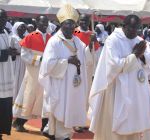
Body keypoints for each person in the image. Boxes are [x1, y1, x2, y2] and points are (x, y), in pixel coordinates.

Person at [88, 14, 150, 140]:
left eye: (137, 28)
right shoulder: (113, 40)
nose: (134, 31)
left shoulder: (138, 40)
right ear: (124, 26)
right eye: (131, 28)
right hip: (116, 89)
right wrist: (135, 55)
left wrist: (142, 56)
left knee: (135, 120)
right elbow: (114, 66)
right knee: (116, 125)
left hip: (136, 90)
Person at [39, 4, 91, 139]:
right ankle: (61, 135)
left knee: (71, 109)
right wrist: (67, 61)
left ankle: (60, 133)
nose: (70, 27)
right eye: (67, 24)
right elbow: (48, 65)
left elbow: (86, 56)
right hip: (60, 84)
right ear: (61, 24)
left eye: (72, 24)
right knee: (61, 109)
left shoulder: (77, 41)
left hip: (74, 85)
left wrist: (90, 47)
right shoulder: (54, 42)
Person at [12, 15, 51, 132]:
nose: (45, 24)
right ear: (37, 23)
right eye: (42, 22)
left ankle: (45, 126)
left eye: (46, 22)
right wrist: (39, 59)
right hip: (33, 72)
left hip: (46, 72)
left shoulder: (50, 37)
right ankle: (19, 122)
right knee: (29, 95)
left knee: (45, 96)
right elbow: (24, 55)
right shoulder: (31, 36)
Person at [0, 9, 19, 140]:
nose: (3, 21)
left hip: (6, 74)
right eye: (1, 18)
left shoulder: (6, 32)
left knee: (5, 105)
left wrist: (11, 53)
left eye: (4, 18)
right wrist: (7, 53)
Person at [10, 22, 27, 101]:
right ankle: (14, 98)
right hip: (16, 61)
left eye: (24, 27)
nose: (23, 29)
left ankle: (21, 99)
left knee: (23, 78)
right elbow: (10, 51)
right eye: (21, 27)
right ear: (17, 28)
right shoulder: (13, 38)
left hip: (25, 62)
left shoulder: (27, 37)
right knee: (16, 78)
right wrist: (19, 53)